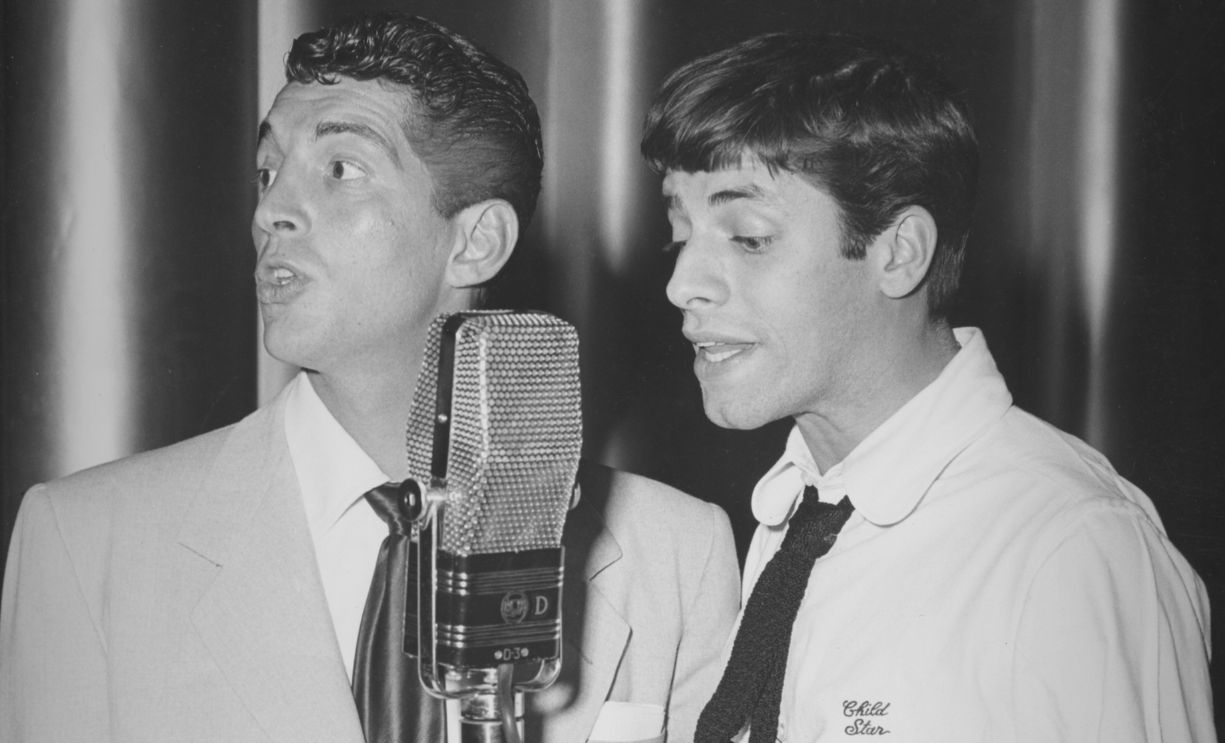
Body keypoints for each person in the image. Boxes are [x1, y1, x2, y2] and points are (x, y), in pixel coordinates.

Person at [0, 13, 738, 743]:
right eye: (267, 172)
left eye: (339, 170)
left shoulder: (675, 552)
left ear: (476, 243)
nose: (272, 211)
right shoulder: (86, 540)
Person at [640, 30, 1215, 742]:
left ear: (898, 252)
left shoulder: (1069, 545)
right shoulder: (797, 515)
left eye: (748, 236)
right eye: (678, 233)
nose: (680, 284)